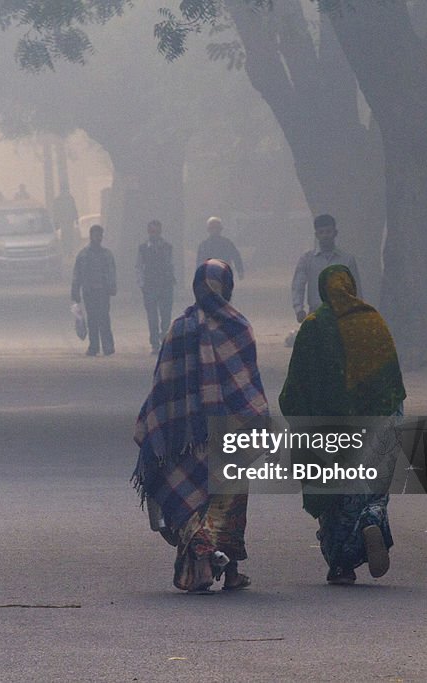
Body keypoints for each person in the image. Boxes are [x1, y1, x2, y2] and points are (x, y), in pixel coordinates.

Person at [133, 259, 269, 593]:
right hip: (232, 431)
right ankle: (230, 568)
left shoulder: (180, 327)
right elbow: (248, 383)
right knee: (228, 501)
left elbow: (163, 382)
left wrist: (158, 424)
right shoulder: (239, 327)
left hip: (186, 433)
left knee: (193, 497)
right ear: (228, 286)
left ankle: (202, 562)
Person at [279, 264, 405, 585]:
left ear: (321, 290)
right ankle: (371, 520)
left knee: (334, 498)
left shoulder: (313, 327)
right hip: (378, 424)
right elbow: (391, 379)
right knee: (372, 491)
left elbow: (295, 388)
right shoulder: (372, 320)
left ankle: (341, 566)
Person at [291, 214, 362, 323]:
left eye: (328, 231)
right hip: (316, 315)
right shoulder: (307, 260)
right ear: (317, 235)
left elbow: (355, 289)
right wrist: (299, 309)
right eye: (321, 232)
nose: (325, 235)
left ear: (335, 233)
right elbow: (298, 286)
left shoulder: (347, 260)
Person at [71, 224, 116, 356]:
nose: (98, 237)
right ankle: (94, 346)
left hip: (103, 292)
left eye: (100, 235)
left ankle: (108, 346)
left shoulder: (107, 255)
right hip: (89, 292)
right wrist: (75, 291)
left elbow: (112, 272)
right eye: (96, 235)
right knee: (92, 319)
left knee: (104, 318)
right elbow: (77, 274)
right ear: (91, 236)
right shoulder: (83, 255)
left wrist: (112, 287)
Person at [136, 220, 175, 353]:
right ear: (149, 232)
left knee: (166, 315)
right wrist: (141, 283)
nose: (155, 234)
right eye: (153, 231)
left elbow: (171, 264)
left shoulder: (167, 247)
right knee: (152, 316)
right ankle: (154, 343)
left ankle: (164, 339)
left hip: (165, 285)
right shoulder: (143, 248)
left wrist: (171, 279)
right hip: (150, 285)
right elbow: (139, 266)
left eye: (157, 231)